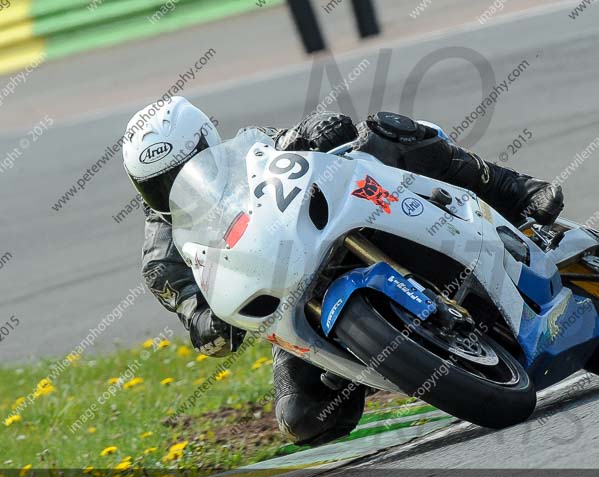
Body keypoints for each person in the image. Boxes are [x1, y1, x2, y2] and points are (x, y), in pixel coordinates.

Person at [122, 97, 563, 445]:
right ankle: (378, 358)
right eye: (158, 183)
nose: (177, 185)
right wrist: (208, 325)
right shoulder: (162, 257)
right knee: (303, 419)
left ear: (206, 139)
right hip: (289, 306)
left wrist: (313, 131)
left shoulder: (249, 147)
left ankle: (511, 186)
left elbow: (295, 143)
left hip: (332, 226)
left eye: (184, 166)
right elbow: (191, 308)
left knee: (384, 133)